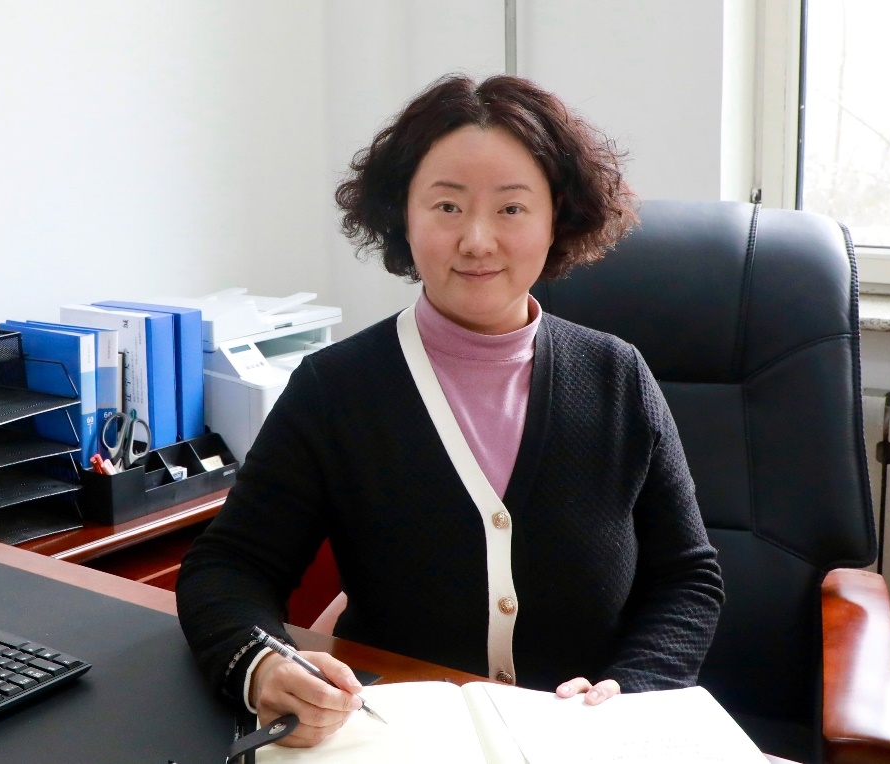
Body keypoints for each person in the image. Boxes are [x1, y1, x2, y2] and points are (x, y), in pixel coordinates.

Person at [176, 74, 724, 748]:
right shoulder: (336, 389)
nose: (476, 239)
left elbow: (687, 577)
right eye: (445, 206)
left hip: (585, 741)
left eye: (512, 209)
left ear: (559, 218)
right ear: (402, 218)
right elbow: (229, 566)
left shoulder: (617, 378)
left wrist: (631, 689)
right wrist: (260, 665)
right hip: (398, 736)